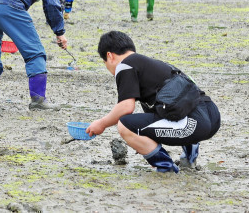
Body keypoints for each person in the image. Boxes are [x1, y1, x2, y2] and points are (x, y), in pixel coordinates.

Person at [87, 31, 220, 173]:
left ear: (109, 56)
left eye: (105, 63)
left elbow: (126, 107)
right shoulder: (155, 66)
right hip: (213, 117)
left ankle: (165, 167)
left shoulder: (124, 65)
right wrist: (144, 143)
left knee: (124, 125)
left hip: (194, 124)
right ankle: (188, 158)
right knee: (149, 118)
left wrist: (101, 124)